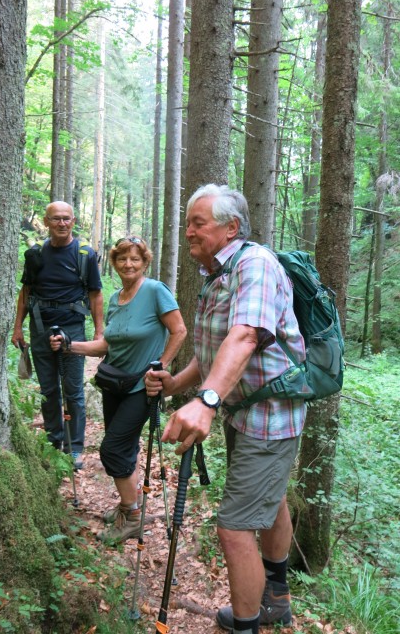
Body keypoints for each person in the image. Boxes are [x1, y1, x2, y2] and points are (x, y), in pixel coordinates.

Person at [145, 185, 307, 634]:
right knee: (269, 502)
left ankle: (247, 624)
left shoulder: (254, 265)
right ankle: (276, 597)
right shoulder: (219, 273)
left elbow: (245, 337)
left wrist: (207, 401)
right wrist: (178, 384)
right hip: (245, 411)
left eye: (198, 223)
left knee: (234, 528)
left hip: (270, 415)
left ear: (231, 227)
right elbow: (213, 349)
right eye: (188, 222)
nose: (188, 231)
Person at [50, 235, 186, 543]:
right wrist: (71, 346)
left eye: (135, 259)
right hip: (114, 384)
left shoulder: (154, 291)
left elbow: (179, 330)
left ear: (145, 262)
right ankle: (130, 505)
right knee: (124, 448)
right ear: (115, 263)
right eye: (122, 258)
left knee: (112, 449)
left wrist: (160, 367)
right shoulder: (115, 299)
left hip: (142, 386)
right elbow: (107, 344)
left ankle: (133, 518)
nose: (128, 264)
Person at [12, 201, 104, 470]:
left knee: (73, 390)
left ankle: (75, 449)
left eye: (66, 219)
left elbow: (96, 295)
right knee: (49, 390)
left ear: (73, 221)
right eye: (56, 219)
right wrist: (18, 327)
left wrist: (99, 332)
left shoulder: (85, 255)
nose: (61, 224)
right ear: (46, 221)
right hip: (40, 329)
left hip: (73, 329)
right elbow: (25, 293)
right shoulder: (36, 254)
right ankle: (55, 444)